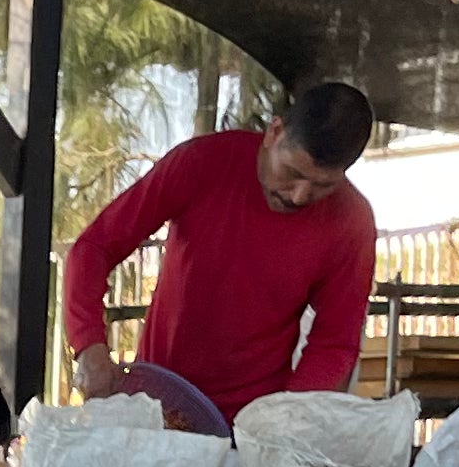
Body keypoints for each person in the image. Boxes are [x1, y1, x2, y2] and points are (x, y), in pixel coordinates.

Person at [62, 82, 378, 430]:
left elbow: (335, 343)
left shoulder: (351, 222)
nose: (300, 196)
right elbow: (94, 247)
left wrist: (285, 422)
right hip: (156, 408)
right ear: (275, 132)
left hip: (251, 427)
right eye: (292, 173)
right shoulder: (202, 162)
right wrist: (89, 345)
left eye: (323, 186)